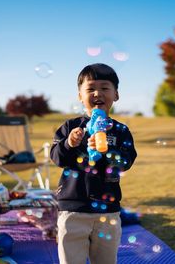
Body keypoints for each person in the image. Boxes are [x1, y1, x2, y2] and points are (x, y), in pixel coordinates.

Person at [50, 63, 137, 264]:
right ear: (80, 96)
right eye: (90, 89)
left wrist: (107, 151)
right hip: (73, 209)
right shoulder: (71, 127)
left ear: (116, 95)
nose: (97, 93)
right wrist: (69, 143)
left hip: (108, 210)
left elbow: (126, 161)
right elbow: (57, 157)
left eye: (105, 88)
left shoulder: (120, 130)